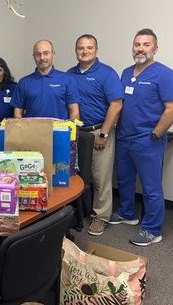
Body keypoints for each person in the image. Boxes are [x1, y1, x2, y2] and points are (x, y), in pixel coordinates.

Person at [110, 28, 173, 246]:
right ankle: (128, 213)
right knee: (124, 179)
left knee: (151, 187)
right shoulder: (125, 72)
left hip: (147, 140)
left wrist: (155, 134)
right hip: (123, 137)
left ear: (155, 49)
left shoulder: (165, 74)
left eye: (146, 44)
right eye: (137, 44)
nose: (140, 49)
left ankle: (152, 229)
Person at [67, 34, 124, 236]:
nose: (85, 51)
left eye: (89, 48)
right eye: (81, 48)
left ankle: (101, 217)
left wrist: (104, 133)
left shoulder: (107, 73)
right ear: (76, 51)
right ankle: (80, 212)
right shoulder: (69, 74)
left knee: (100, 177)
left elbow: (116, 105)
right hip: (76, 133)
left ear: (96, 51)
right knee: (78, 175)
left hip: (98, 131)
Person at [11, 40, 80, 120]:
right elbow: (18, 113)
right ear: (33, 57)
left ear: (53, 54)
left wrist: (72, 131)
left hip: (60, 131)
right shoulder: (24, 82)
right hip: (32, 131)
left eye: (46, 53)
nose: (42, 57)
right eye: (38, 54)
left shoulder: (67, 79)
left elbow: (74, 111)